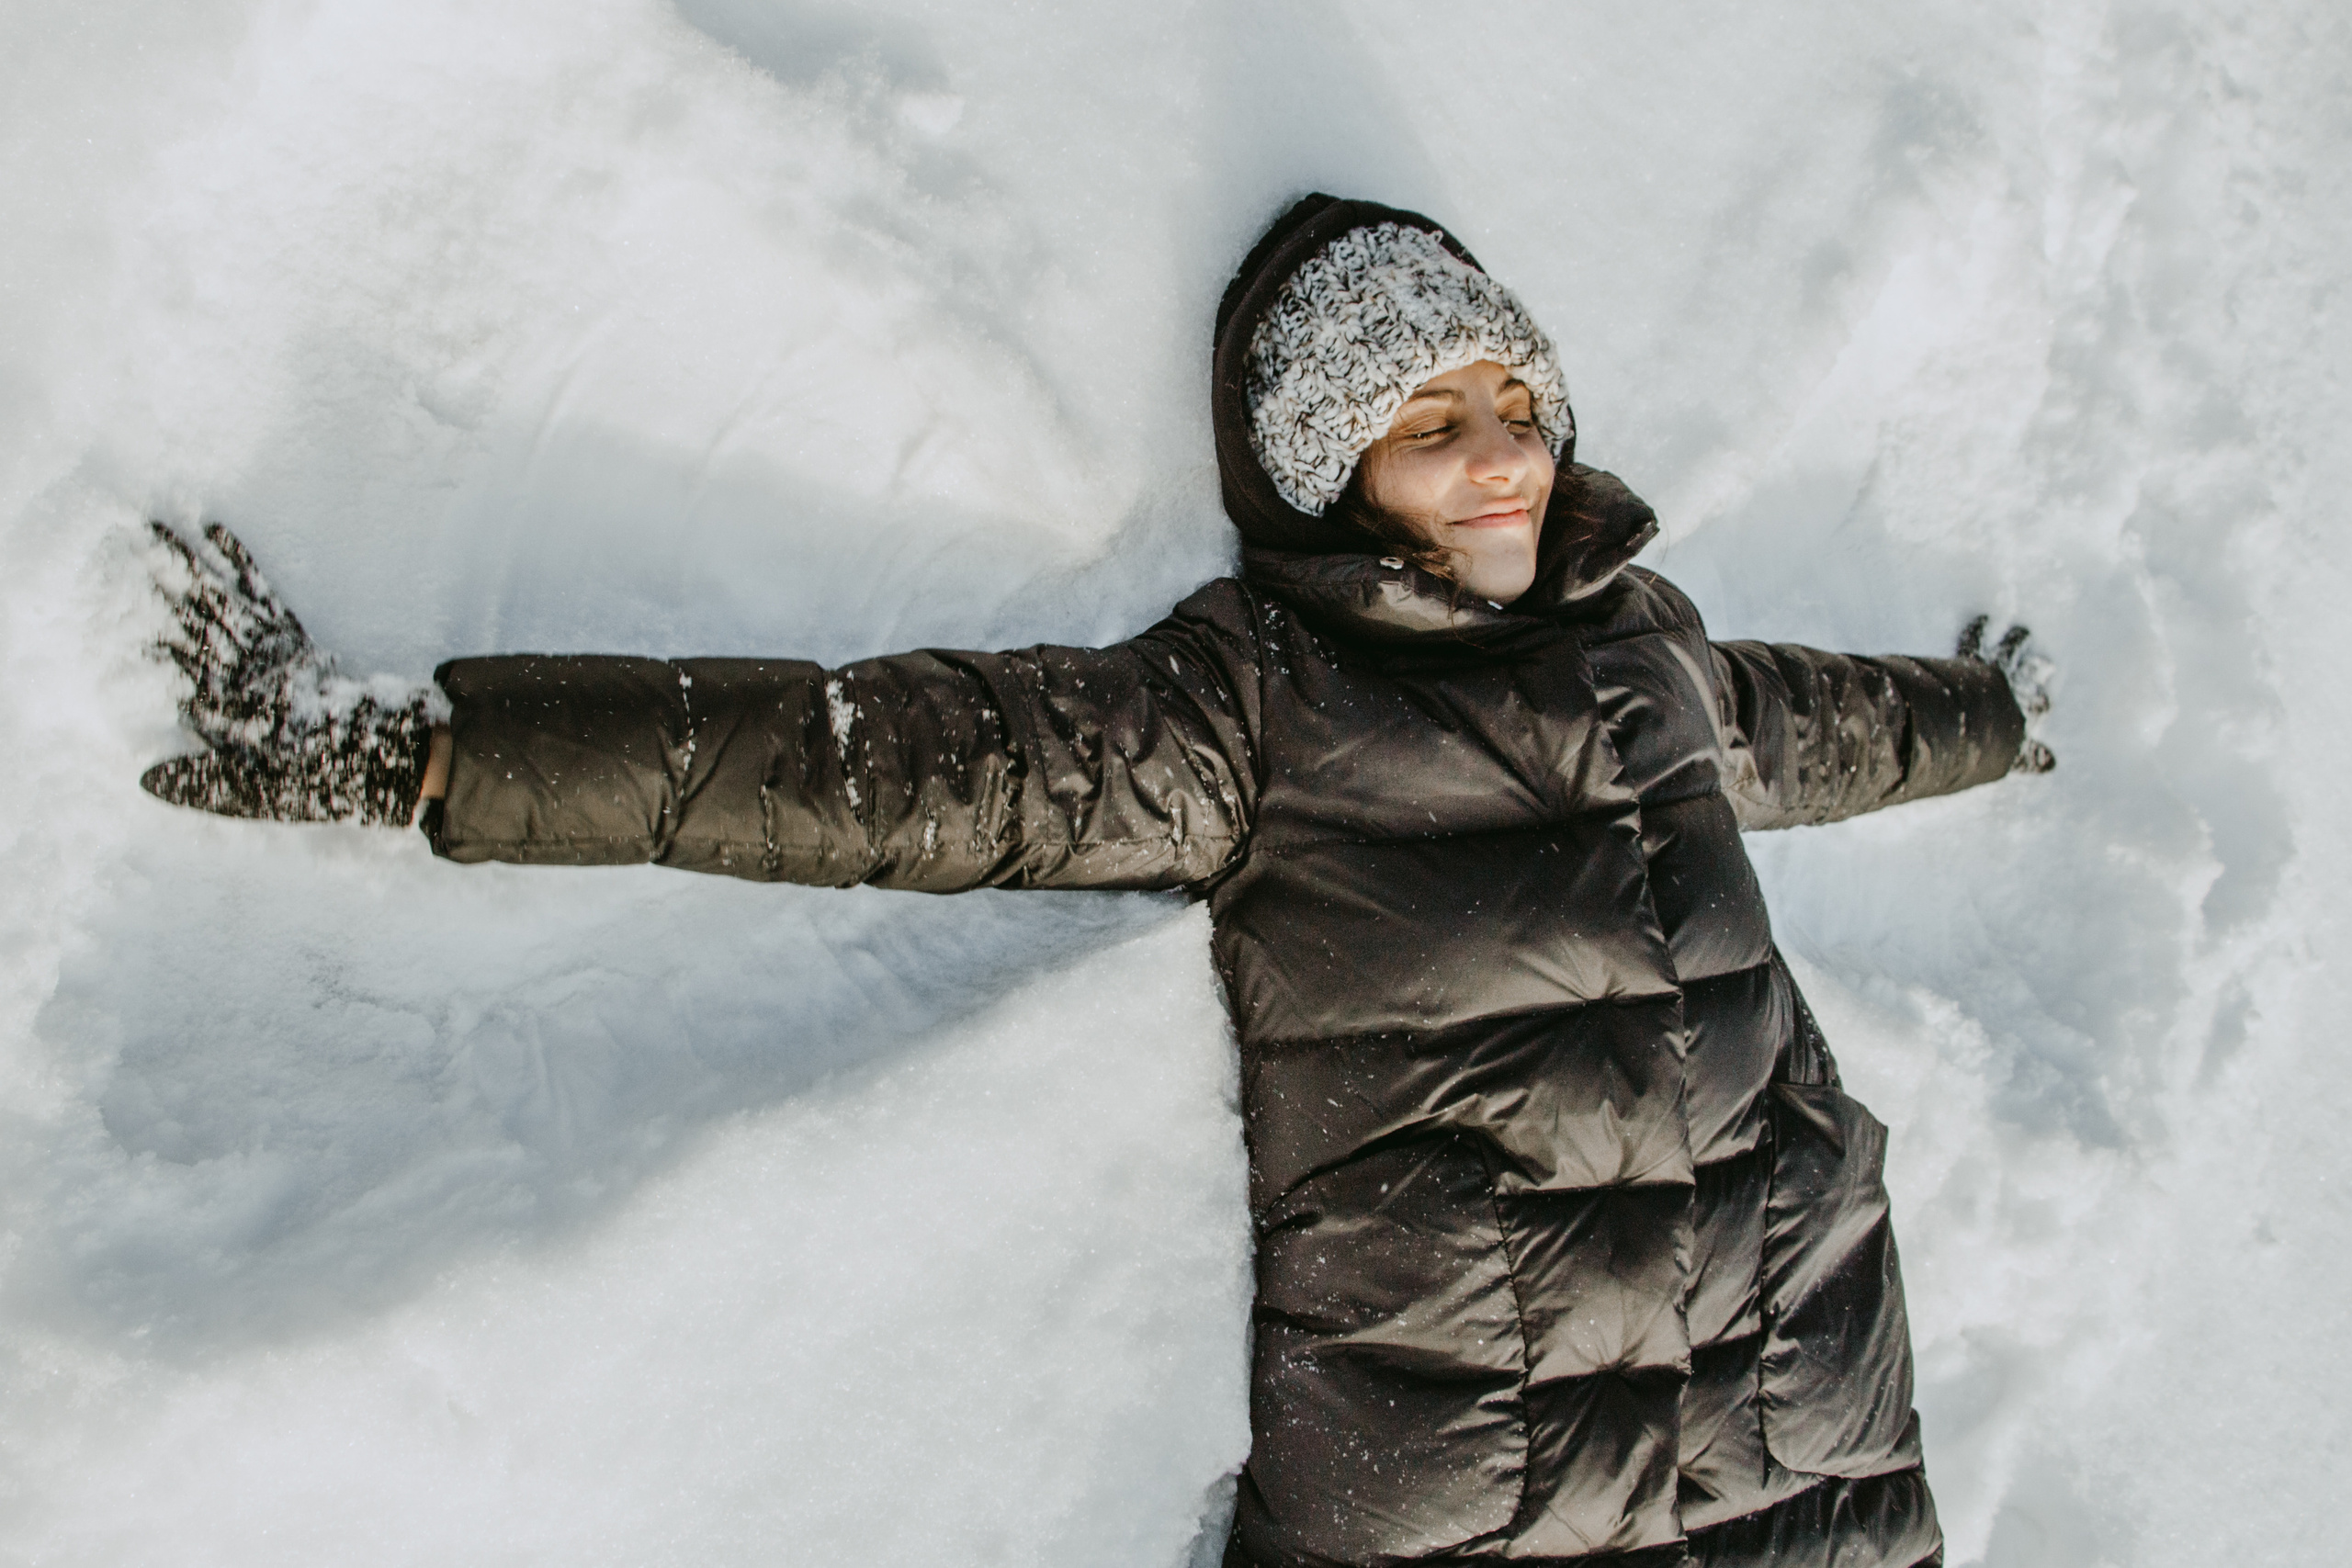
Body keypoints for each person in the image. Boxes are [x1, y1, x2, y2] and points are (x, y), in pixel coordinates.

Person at [141, 195, 2052, 1567]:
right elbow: (867, 766)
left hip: (1801, 1401)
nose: (1500, 463)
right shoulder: (1256, 704)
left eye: (1515, 406)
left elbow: (1827, 722)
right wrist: (422, 752)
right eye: (1427, 421)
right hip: (1487, 1456)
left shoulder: (1649, 645)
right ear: (1327, 468)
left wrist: (1990, 711)